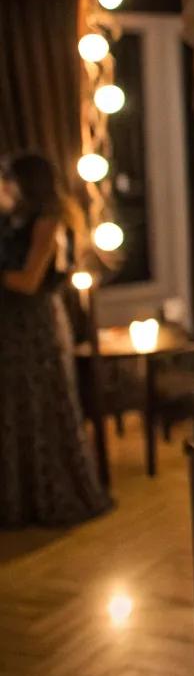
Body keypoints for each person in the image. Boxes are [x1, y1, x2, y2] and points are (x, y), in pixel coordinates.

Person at [0, 153, 110, 528]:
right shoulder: (18, 220)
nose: (7, 186)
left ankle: (48, 496)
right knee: (16, 408)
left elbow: (30, 281)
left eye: (11, 179)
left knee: (39, 404)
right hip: (15, 326)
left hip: (34, 326)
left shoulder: (48, 223)